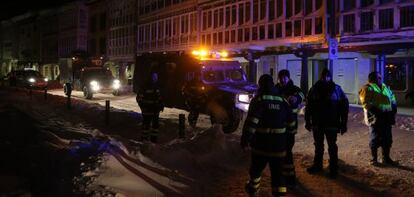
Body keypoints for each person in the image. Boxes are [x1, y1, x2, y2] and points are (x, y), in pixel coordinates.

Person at [241, 74, 295, 197]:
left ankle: (253, 190)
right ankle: (280, 194)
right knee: (278, 174)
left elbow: (252, 122)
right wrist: (289, 138)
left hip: (261, 145)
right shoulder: (282, 100)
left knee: (256, 171)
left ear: (260, 85)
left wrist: (245, 139)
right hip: (279, 146)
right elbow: (291, 121)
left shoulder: (259, 99)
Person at [305, 68, 349, 178]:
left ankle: (333, 169)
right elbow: (308, 107)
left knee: (332, 146)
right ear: (321, 77)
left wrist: (343, 123)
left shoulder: (337, 89)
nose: (325, 78)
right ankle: (317, 166)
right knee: (318, 146)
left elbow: (344, 107)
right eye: (323, 76)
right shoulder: (314, 89)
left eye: (327, 76)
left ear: (330, 77)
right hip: (317, 123)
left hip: (332, 123)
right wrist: (307, 121)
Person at [359, 71, 397, 165]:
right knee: (375, 138)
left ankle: (386, 158)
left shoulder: (385, 87)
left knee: (387, 138)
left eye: (380, 77)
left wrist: (393, 109)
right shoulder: (368, 88)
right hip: (375, 117)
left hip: (387, 116)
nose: (380, 79)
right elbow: (366, 103)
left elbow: (392, 98)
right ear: (372, 79)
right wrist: (375, 112)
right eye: (378, 77)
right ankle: (374, 159)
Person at [275, 69, 304, 187]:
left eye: (285, 77)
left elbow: (302, 95)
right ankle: (281, 175)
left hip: (289, 126)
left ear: (288, 78)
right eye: (281, 77)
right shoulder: (275, 89)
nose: (283, 79)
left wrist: (296, 99)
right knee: (279, 152)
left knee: (287, 151)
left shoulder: (295, 89)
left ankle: (290, 177)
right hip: (278, 126)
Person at [136, 72, 164, 143]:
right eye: (154, 77)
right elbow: (139, 98)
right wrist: (143, 107)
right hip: (147, 110)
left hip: (155, 110)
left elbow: (160, 97)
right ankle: (144, 141)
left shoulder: (157, 86)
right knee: (146, 125)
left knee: (155, 126)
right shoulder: (145, 86)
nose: (155, 78)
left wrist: (161, 105)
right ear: (150, 77)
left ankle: (153, 141)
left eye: (156, 77)